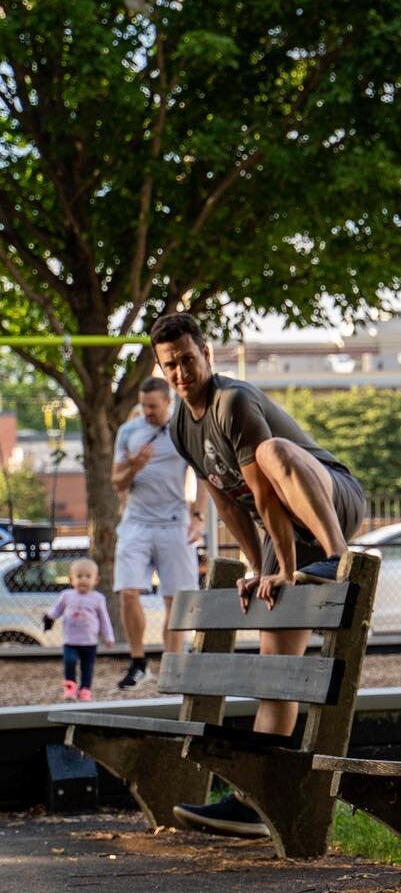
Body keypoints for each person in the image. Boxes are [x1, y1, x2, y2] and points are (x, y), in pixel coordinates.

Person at [149, 311, 369, 838]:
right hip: (283, 534)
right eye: (169, 366)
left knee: (272, 451)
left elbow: (266, 492)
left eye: (186, 359)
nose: (180, 373)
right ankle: (257, 802)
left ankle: (340, 558)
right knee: (278, 669)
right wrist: (256, 567)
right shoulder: (181, 424)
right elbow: (228, 503)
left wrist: (288, 569)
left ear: (206, 353)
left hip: (329, 502)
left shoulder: (234, 402)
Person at [111, 376, 206, 690]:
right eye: (143, 405)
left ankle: (172, 665)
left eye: (153, 406)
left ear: (168, 402)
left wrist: (198, 517)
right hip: (136, 522)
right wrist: (135, 466)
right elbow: (117, 483)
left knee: (175, 600)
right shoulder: (129, 431)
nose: (147, 412)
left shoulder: (184, 429)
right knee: (128, 591)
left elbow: (204, 475)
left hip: (174, 522)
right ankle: (138, 662)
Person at [44, 558, 114, 702]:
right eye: (79, 576)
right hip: (70, 640)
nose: (83, 579)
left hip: (89, 642)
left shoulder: (98, 598)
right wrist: (49, 616)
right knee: (69, 661)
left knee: (87, 667)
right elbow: (57, 610)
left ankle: (85, 690)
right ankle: (70, 688)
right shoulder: (66, 595)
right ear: (71, 579)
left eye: (88, 576)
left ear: (96, 580)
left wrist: (108, 636)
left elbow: (104, 618)